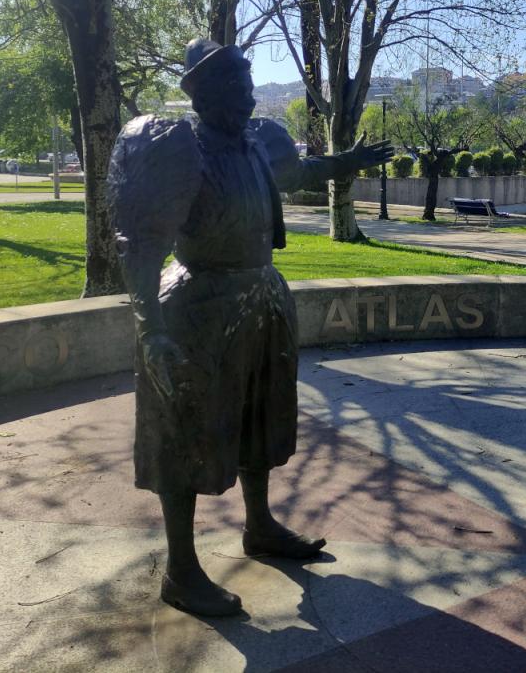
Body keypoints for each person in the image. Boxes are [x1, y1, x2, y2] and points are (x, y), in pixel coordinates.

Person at [107, 38, 391, 616]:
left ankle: (259, 525)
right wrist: (151, 329)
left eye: (247, 80)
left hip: (261, 296)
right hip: (199, 304)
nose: (249, 91)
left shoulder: (257, 142)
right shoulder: (178, 147)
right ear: (203, 92)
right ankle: (181, 570)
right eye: (236, 83)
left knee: (261, 416)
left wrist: (348, 163)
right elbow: (140, 247)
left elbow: (298, 172)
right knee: (183, 432)